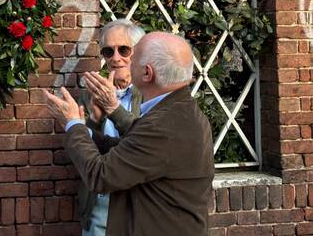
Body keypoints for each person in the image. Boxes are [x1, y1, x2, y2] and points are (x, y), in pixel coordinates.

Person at [45, 32, 214, 236]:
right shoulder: (180, 110)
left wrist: (73, 125)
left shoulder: (164, 122)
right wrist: (86, 128)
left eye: (132, 56)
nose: (118, 60)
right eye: (108, 51)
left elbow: (100, 175)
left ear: (147, 73)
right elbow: (131, 144)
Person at [78, 19, 145, 236]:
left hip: (139, 201)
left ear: (138, 52)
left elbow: (145, 146)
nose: (116, 58)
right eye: (108, 51)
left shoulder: (151, 95)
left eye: (124, 50)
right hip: (101, 202)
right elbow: (81, 153)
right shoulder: (90, 95)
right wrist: (94, 121)